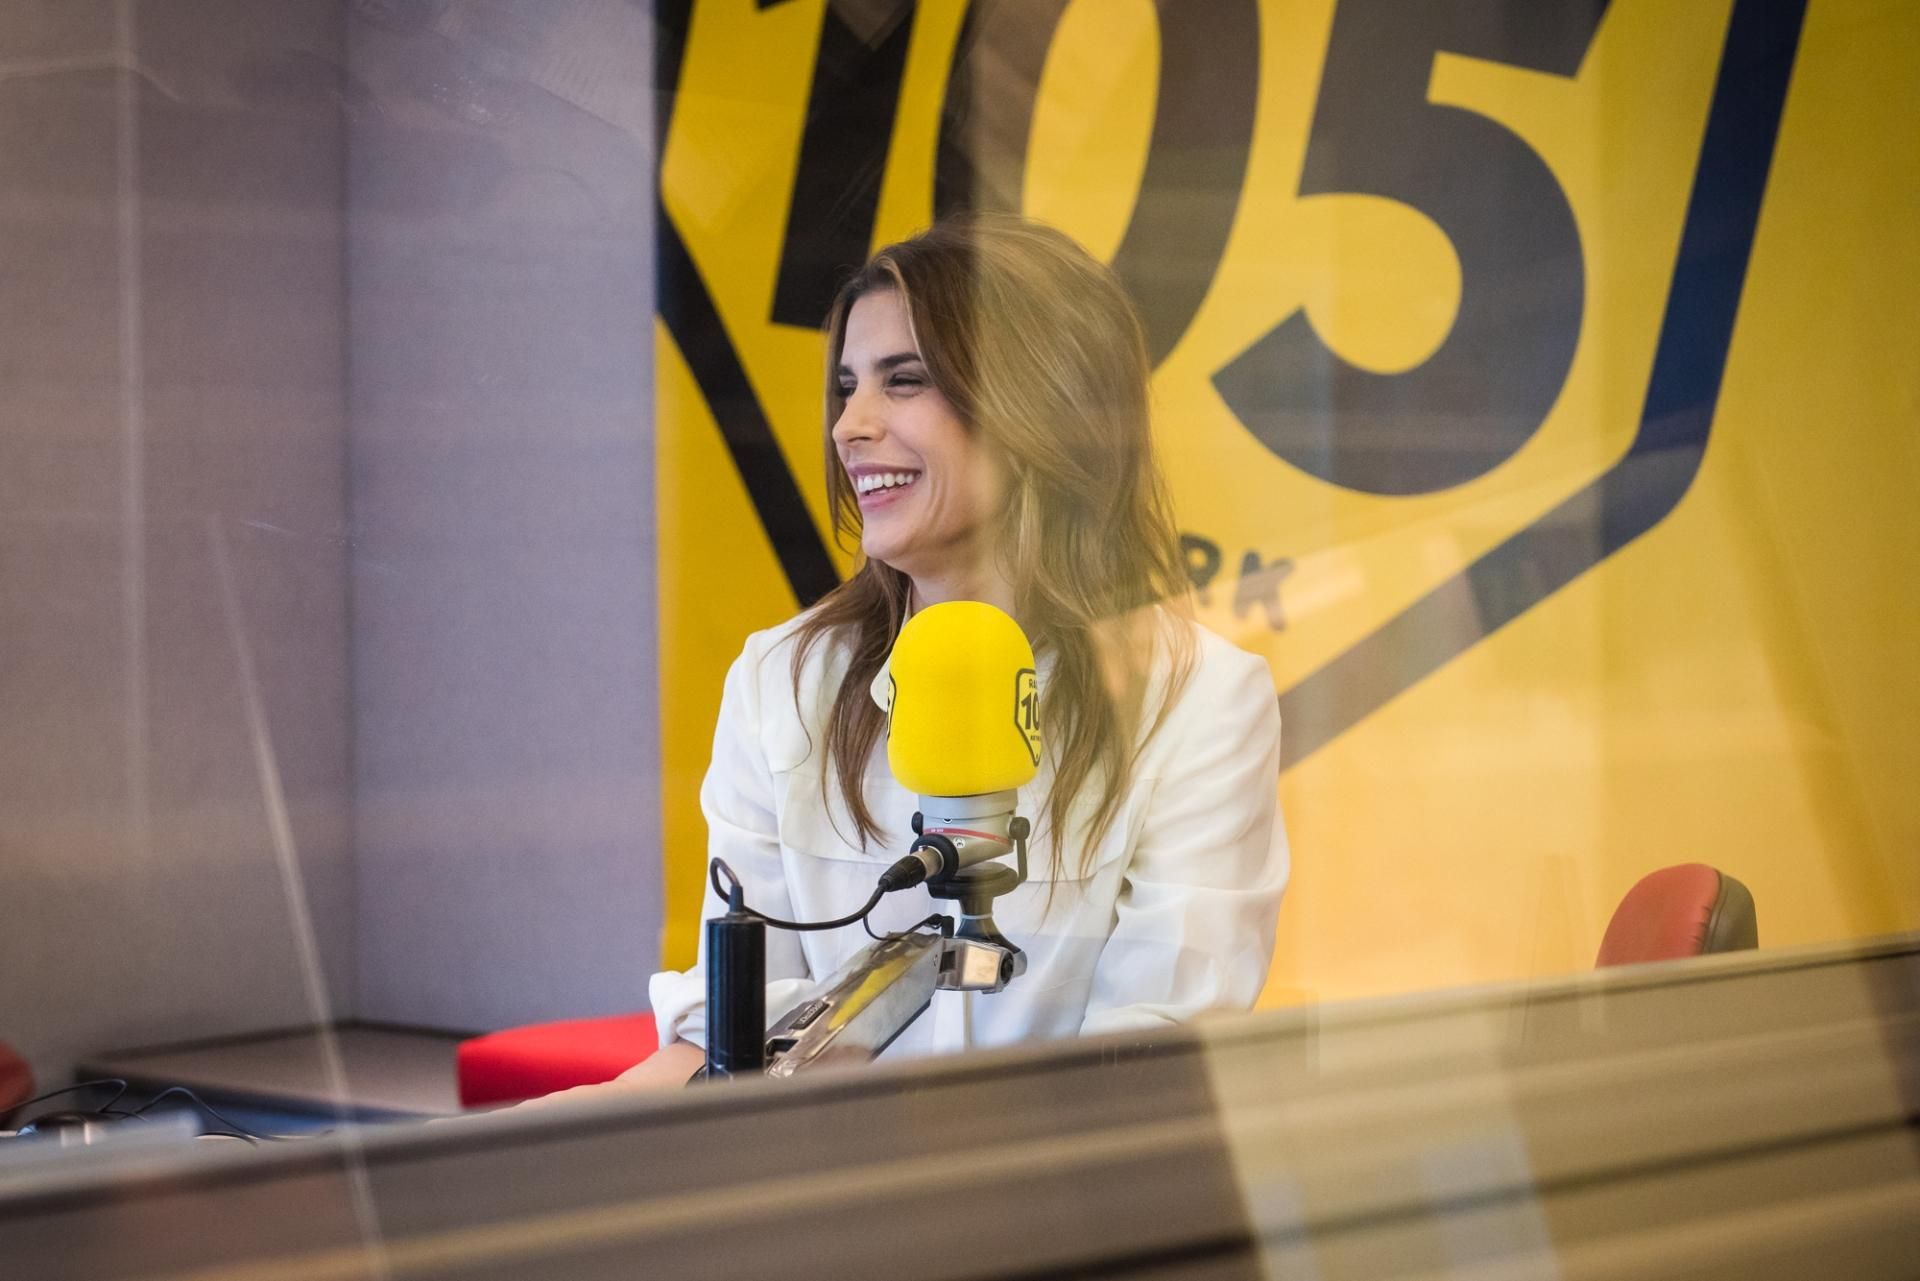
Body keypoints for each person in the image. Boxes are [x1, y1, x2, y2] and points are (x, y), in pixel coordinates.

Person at [618, 215, 1289, 1090]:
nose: (848, 426)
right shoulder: (781, 678)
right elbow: (728, 1044)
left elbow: (1150, 1059)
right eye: (847, 387)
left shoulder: (1201, 700)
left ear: (1042, 406)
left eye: (905, 380)